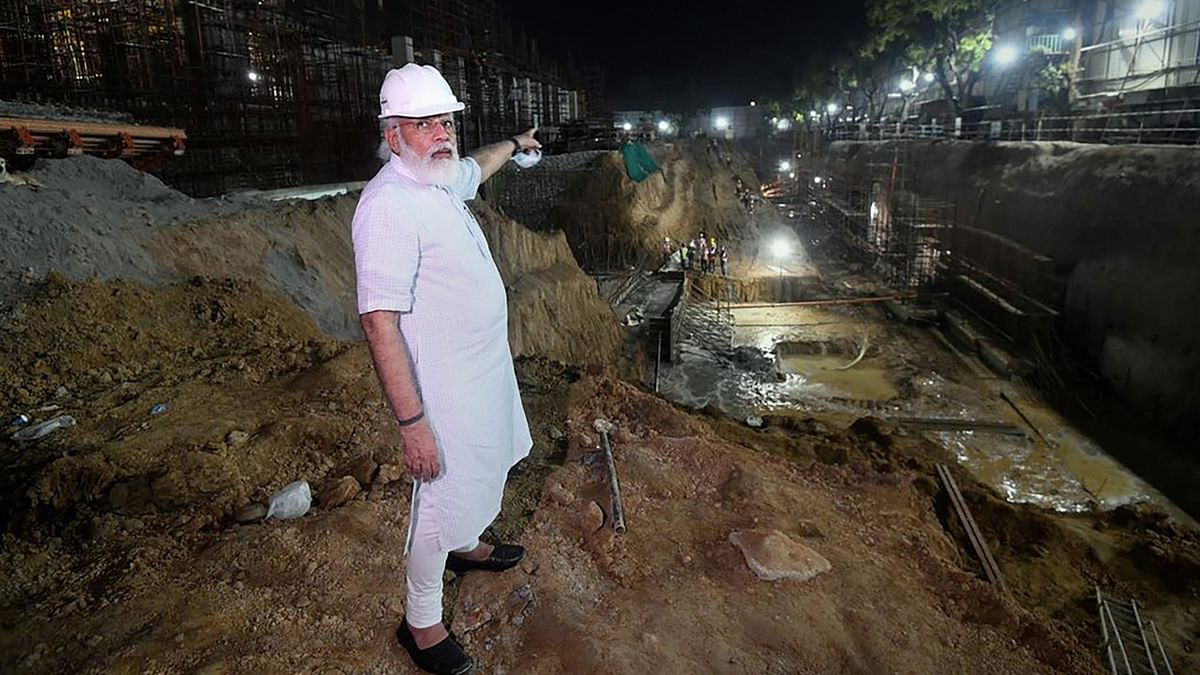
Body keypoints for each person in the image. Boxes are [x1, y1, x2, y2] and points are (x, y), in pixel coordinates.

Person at [352, 63, 541, 675]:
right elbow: (378, 322)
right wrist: (412, 424)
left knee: (486, 461)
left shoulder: (435, 177)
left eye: (444, 120)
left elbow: (474, 169)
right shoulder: (387, 207)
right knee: (439, 497)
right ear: (392, 136)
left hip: (481, 367)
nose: (439, 132)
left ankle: (468, 544)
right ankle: (422, 623)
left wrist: (515, 145)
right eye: (421, 123)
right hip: (440, 390)